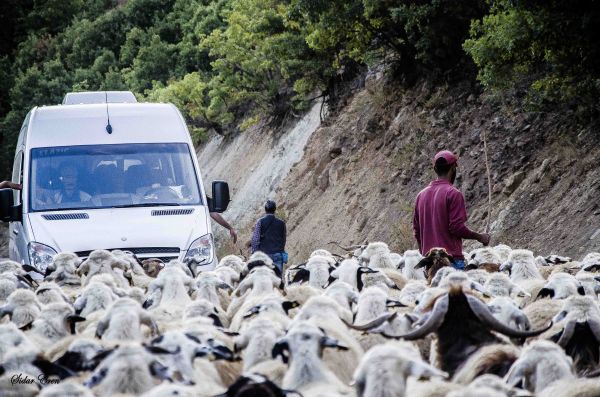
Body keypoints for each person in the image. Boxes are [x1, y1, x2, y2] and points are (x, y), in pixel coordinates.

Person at [413, 150, 490, 270]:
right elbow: (457, 228)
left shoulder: (420, 196)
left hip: (429, 263)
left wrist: (425, 256)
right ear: (453, 168)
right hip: (451, 261)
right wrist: (480, 237)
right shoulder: (453, 193)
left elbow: (417, 232)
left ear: (434, 169)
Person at [248, 199, 287, 273]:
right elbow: (283, 239)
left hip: (264, 255)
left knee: (264, 278)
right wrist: (280, 250)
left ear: (265, 210)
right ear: (275, 209)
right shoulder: (282, 223)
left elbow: (255, 240)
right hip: (277, 255)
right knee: (277, 280)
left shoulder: (260, 222)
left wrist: (255, 253)